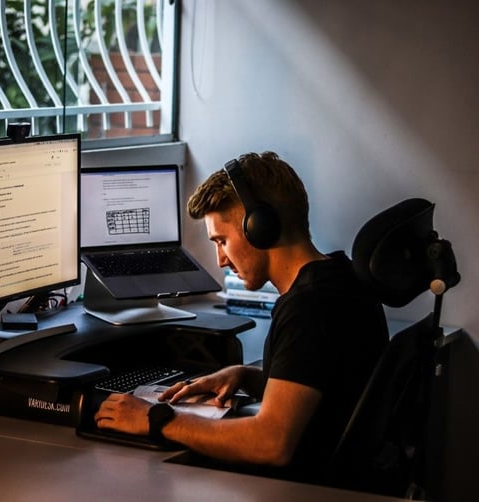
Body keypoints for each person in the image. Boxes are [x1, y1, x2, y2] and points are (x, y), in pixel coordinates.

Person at [94, 151, 388, 482]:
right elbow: (324, 384)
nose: (220, 260)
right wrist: (246, 375)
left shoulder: (310, 308)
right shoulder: (339, 278)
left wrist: (158, 419)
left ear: (259, 228)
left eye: (222, 240)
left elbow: (271, 443)